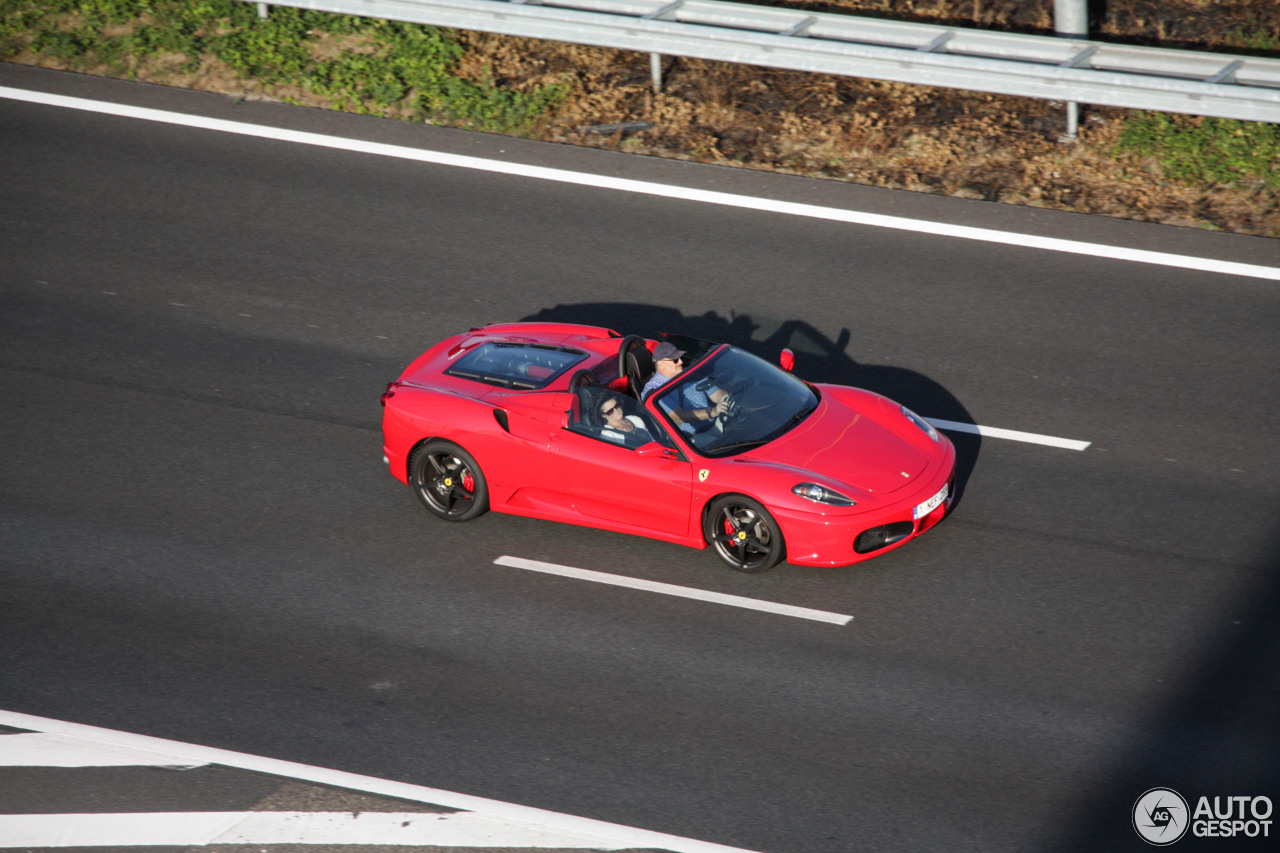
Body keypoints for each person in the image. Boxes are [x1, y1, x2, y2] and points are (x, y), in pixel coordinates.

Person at [642, 342, 729, 431]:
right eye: (675, 360)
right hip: (692, 437)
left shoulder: (688, 372)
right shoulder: (654, 390)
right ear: (661, 364)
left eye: (680, 358)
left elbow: (716, 394)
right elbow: (679, 416)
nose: (681, 362)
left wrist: (730, 398)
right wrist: (713, 411)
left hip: (714, 423)